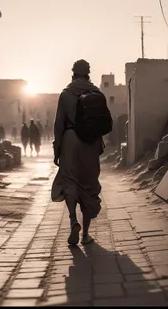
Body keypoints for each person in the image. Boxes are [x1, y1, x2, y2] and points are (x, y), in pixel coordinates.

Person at [51, 59, 112, 246]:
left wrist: (57, 149)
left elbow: (58, 124)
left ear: (73, 74)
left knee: (70, 181)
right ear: (88, 73)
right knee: (88, 185)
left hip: (70, 140)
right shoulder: (96, 92)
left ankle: (72, 221)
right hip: (91, 142)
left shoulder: (66, 94)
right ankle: (85, 235)